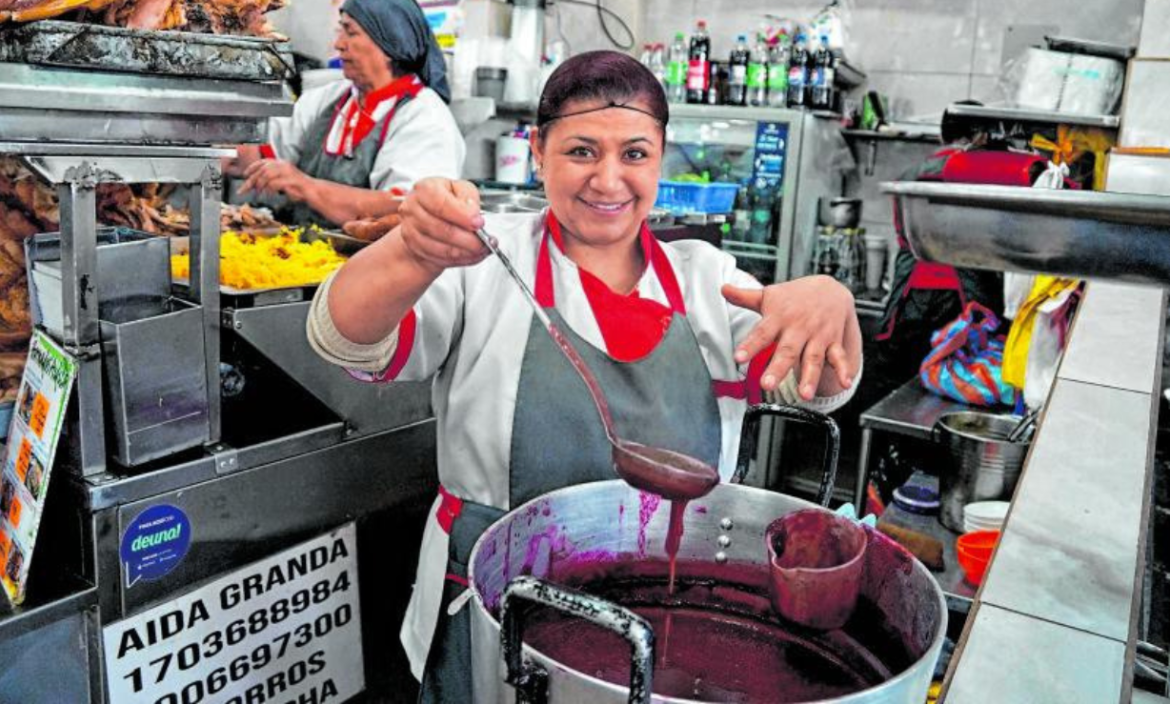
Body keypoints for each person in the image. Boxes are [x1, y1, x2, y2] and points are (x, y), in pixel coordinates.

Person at [307, 51, 862, 701]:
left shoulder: (707, 280)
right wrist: (409, 250)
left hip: (663, 608)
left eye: (634, 154)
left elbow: (817, 386)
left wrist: (830, 303)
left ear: (661, 157)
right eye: (580, 151)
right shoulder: (485, 262)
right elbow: (345, 341)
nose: (608, 179)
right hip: (494, 603)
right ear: (537, 151)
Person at [224, 0, 465, 233]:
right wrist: (211, 147)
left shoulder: (424, 117)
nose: (339, 44)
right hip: (303, 257)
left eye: (350, 32)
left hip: (376, 267)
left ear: (390, 43)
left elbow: (407, 211)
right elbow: (255, 156)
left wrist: (305, 186)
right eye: (340, 30)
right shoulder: (329, 98)